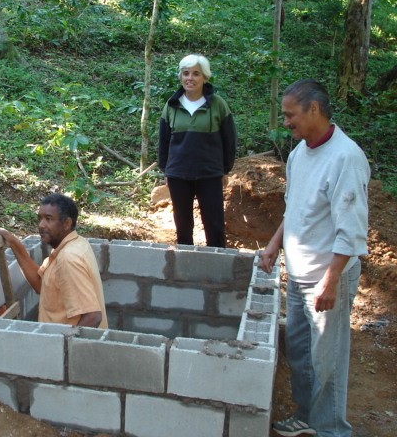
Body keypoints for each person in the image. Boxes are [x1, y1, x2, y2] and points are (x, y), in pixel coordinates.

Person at [259, 80, 370, 437]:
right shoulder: (299, 153)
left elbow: (350, 230)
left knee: (328, 363)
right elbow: (295, 210)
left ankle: (332, 430)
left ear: (314, 110)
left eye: (291, 114)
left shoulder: (345, 158)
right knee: (302, 355)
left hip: (326, 278)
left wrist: (330, 281)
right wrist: (275, 245)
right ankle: (307, 415)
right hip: (299, 273)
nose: (286, 121)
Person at [0, 193, 107, 328]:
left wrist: (64, 347)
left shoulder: (68, 259)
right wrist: (13, 243)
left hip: (66, 346)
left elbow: (93, 316)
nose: (41, 225)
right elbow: (40, 284)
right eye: (40, 218)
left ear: (66, 223)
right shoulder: (74, 244)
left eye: (48, 219)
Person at [157, 54, 236, 248]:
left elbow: (229, 139)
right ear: (180, 77)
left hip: (209, 173)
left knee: (214, 225)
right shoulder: (171, 105)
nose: (189, 78)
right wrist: (166, 169)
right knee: (183, 226)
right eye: (185, 73)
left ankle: (217, 268)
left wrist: (225, 169)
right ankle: (185, 268)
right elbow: (164, 140)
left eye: (195, 74)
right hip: (178, 174)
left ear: (205, 77)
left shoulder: (218, 104)